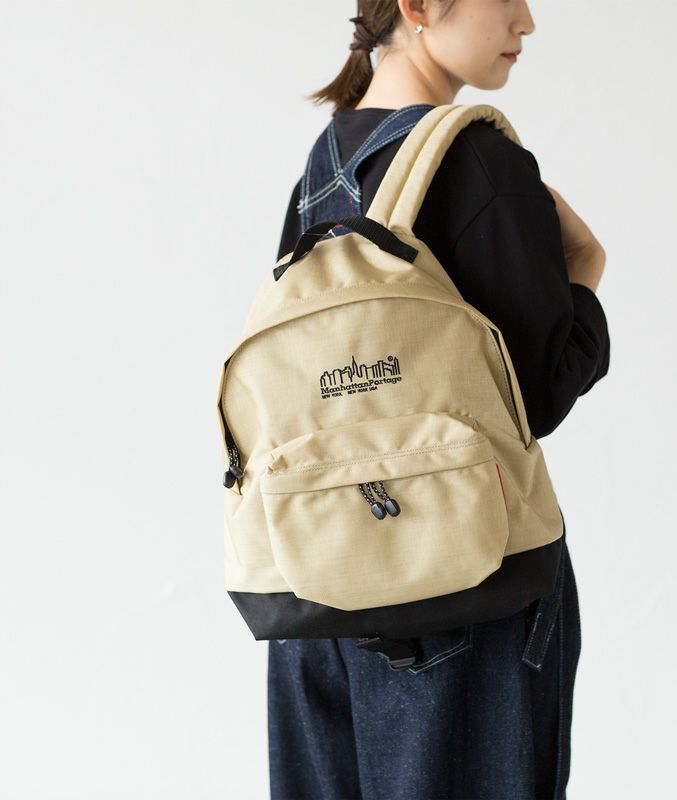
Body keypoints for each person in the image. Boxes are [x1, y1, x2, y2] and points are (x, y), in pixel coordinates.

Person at [267, 2, 610, 798]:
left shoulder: (322, 170)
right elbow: (536, 397)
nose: (527, 22)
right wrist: (586, 273)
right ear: (419, 6)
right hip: (465, 589)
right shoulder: (479, 161)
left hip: (319, 592)